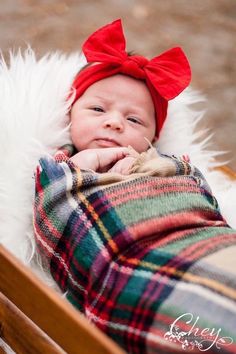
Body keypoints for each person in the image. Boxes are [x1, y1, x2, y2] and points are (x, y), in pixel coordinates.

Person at [34, 19, 236, 354]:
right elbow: (52, 221)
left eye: (134, 120)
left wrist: (166, 169)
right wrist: (80, 173)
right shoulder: (61, 169)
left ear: (153, 137)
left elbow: (206, 207)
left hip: (204, 243)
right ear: (70, 115)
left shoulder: (167, 165)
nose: (113, 121)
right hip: (137, 269)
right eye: (97, 109)